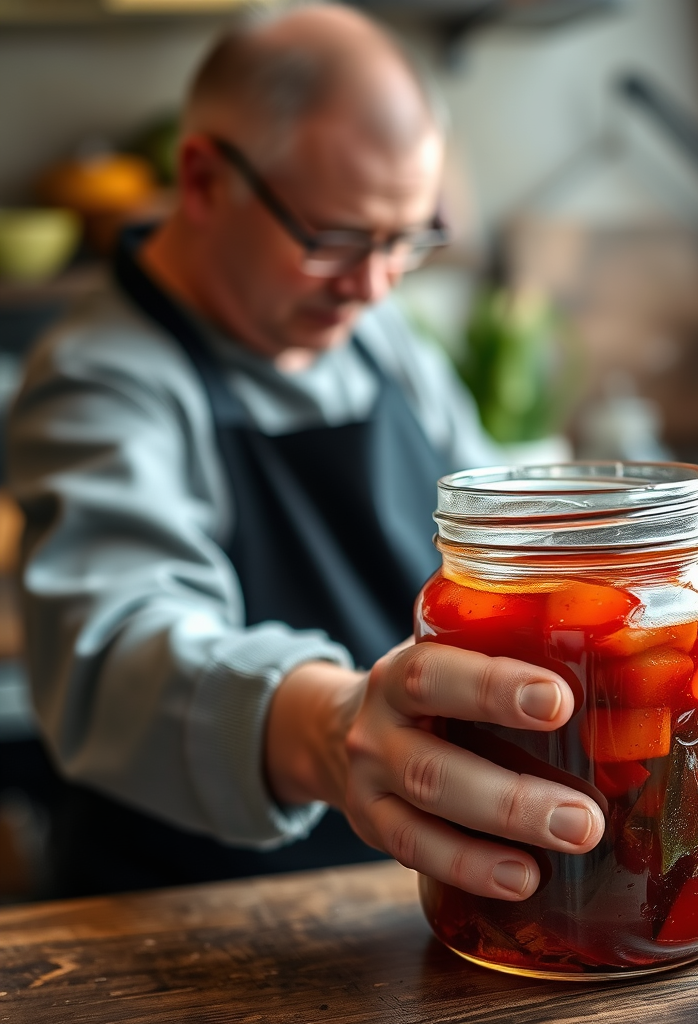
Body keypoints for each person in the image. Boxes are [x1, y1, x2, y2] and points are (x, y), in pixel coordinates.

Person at [7, 3, 603, 899]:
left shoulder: (376, 338)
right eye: (333, 240)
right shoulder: (99, 378)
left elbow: (500, 524)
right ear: (204, 179)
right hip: (202, 908)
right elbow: (121, 648)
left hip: (410, 882)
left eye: (403, 241)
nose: (372, 285)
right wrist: (333, 729)